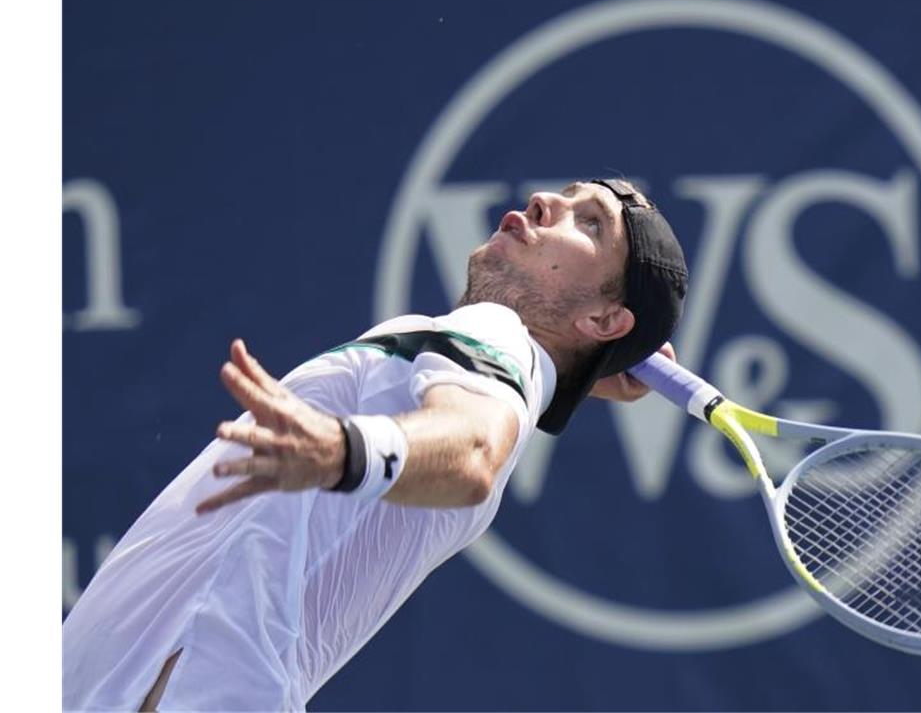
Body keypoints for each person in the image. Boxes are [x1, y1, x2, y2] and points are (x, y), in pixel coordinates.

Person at [62, 178, 688, 711]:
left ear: (605, 320)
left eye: (590, 223)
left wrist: (342, 450)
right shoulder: (504, 364)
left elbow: (472, 449)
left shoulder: (494, 334)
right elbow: (500, 393)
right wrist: (592, 367)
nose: (549, 200)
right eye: (567, 193)